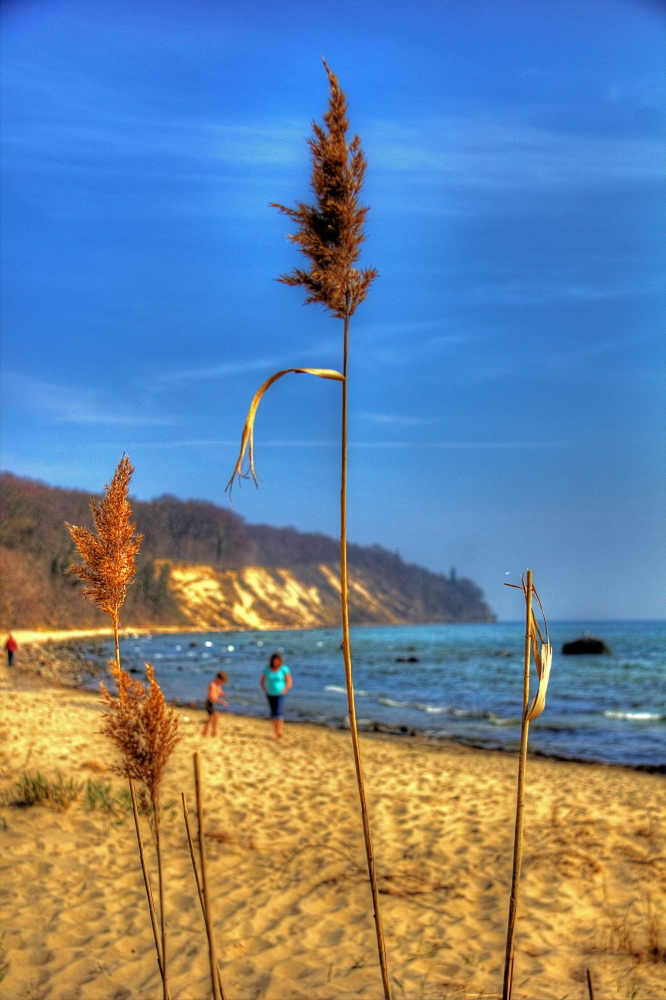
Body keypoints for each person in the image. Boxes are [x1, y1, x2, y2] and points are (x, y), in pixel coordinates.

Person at [260, 652, 292, 739]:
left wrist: (285, 690)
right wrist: (264, 690)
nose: (275, 663)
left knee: (279, 712)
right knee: (273, 712)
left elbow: (289, 681)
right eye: (274, 661)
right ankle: (275, 731)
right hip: (270, 693)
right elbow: (262, 681)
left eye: (277, 661)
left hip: (279, 693)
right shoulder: (267, 669)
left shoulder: (284, 669)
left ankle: (279, 731)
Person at [202, 671, 229, 737]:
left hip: (213, 703)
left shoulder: (218, 685)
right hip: (209, 703)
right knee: (213, 716)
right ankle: (207, 732)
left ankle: (211, 732)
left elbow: (218, 692)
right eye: (221, 681)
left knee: (213, 717)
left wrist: (223, 694)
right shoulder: (212, 685)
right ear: (218, 679)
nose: (222, 683)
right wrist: (221, 702)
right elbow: (211, 696)